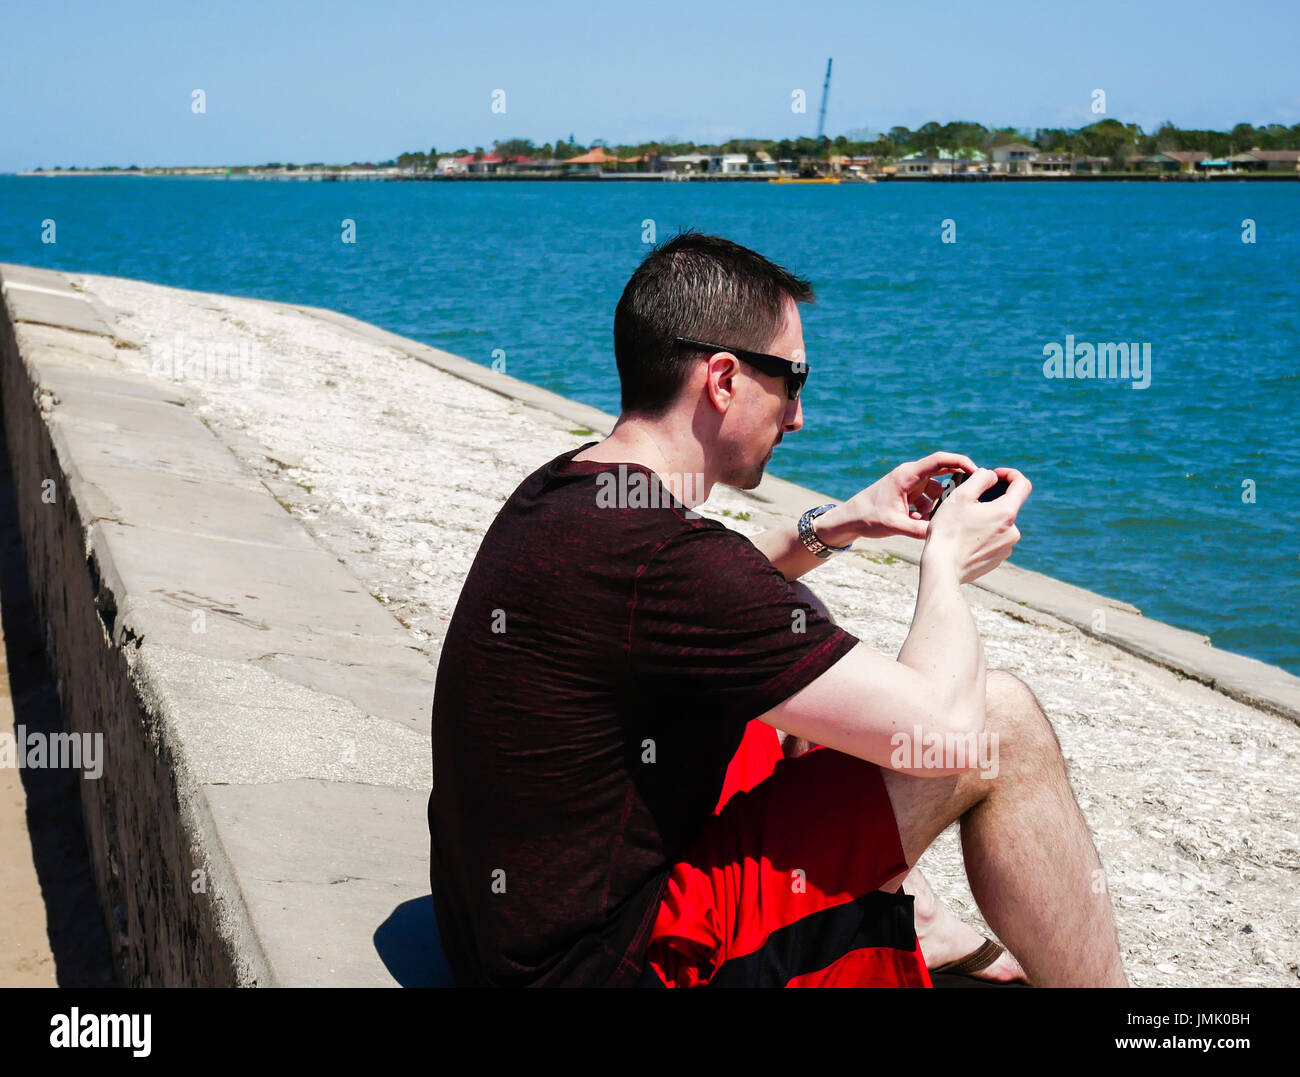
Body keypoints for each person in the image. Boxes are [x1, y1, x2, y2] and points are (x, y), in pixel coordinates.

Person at [427, 230, 1127, 988]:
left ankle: (919, 915)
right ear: (723, 379)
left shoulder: (569, 486)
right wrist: (948, 565)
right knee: (1002, 722)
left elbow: (712, 605)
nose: (797, 416)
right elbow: (946, 734)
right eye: (793, 380)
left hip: (503, 939)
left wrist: (838, 522)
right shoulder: (672, 561)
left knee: (794, 627)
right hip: (615, 966)